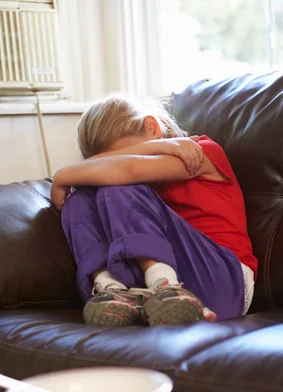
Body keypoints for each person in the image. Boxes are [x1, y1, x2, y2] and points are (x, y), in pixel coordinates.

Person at [51, 94, 257, 327]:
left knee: (116, 187)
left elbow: (127, 169)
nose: (111, 167)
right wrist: (158, 145)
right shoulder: (141, 194)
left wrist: (62, 175)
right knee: (79, 200)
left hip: (226, 281)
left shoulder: (201, 152)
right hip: (156, 287)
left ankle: (165, 287)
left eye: (128, 152)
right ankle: (112, 293)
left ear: (152, 127)